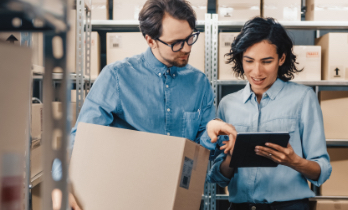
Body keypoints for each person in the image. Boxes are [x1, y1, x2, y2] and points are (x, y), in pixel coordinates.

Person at [63, 0, 237, 209]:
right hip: (125, 199)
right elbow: (82, 138)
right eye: (176, 43)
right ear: (150, 40)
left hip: (180, 200)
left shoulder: (199, 83)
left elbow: (198, 148)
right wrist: (62, 183)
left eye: (191, 38)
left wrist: (209, 130)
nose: (187, 48)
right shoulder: (117, 77)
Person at [205, 17, 332, 210]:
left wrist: (294, 161)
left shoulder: (303, 98)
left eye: (267, 61)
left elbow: (321, 171)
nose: (257, 71)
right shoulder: (228, 104)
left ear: (281, 58)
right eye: (249, 61)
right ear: (241, 58)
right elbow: (219, 178)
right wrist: (232, 156)